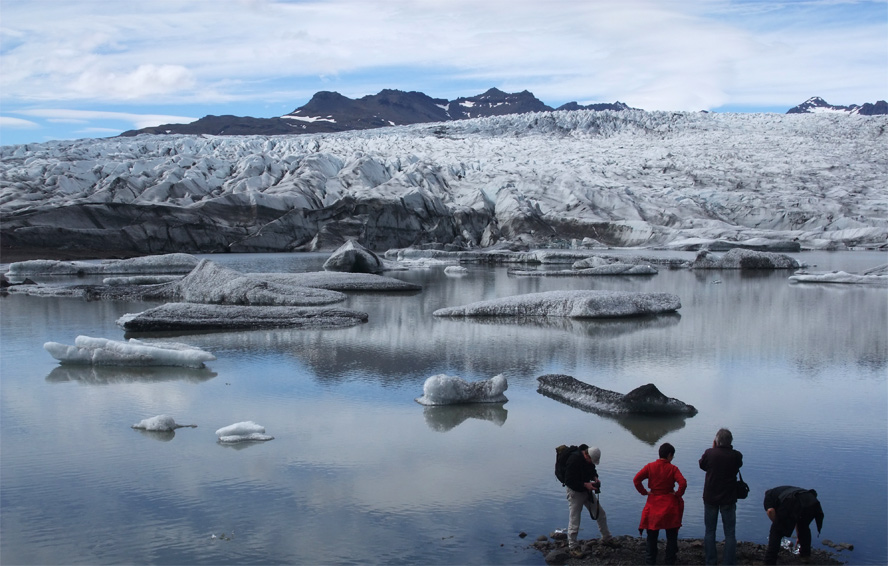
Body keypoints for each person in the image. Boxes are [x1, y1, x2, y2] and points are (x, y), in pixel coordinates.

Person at [633, 442, 687, 565]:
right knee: (672, 537)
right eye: (672, 456)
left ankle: (650, 561)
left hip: (653, 505)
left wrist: (645, 492)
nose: (672, 459)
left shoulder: (650, 466)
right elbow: (683, 483)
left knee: (651, 537)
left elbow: (636, 480)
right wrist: (677, 494)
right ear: (669, 455)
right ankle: (669, 561)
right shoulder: (673, 469)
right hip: (669, 506)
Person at [699, 428, 743, 565]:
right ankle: (729, 563)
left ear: (716, 441)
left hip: (710, 497)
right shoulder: (736, 455)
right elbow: (738, 465)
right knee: (730, 533)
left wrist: (713, 448)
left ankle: (710, 561)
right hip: (728, 498)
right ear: (730, 441)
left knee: (710, 531)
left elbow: (702, 465)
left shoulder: (709, 453)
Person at [563, 444, 614, 556]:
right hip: (575, 493)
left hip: (586, 490)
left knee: (600, 513)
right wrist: (586, 485)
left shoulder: (588, 460)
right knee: (574, 519)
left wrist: (595, 478)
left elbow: (591, 469)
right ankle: (573, 547)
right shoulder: (574, 460)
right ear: (587, 456)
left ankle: (606, 538)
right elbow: (569, 481)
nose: (592, 463)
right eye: (592, 461)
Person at [763, 486, 824, 565]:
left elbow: (770, 511)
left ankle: (769, 561)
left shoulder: (769, 496)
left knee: (776, 532)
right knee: (804, 526)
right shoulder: (782, 490)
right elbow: (797, 517)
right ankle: (805, 556)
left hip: (794, 500)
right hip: (812, 501)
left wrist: (778, 525)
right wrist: (799, 535)